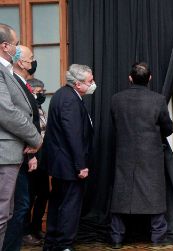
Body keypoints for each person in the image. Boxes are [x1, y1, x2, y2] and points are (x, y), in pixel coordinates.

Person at [110, 63, 173, 248]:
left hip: (124, 154)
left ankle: (116, 238)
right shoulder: (158, 100)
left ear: (130, 78)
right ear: (150, 78)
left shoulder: (116, 99)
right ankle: (157, 238)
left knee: (121, 195)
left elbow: (115, 125)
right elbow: (168, 129)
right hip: (151, 156)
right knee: (153, 195)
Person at [42, 64, 94, 251]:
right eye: (89, 81)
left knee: (58, 203)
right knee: (69, 206)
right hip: (69, 165)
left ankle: (52, 243)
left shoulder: (63, 94)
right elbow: (73, 135)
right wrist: (81, 165)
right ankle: (64, 245)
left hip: (60, 164)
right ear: (78, 84)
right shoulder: (70, 100)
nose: (93, 84)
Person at [0, 24, 42, 249]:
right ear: (5, 46)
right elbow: (7, 112)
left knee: (9, 212)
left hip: (14, 152)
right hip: (5, 152)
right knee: (4, 214)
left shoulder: (7, 72)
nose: (17, 49)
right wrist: (36, 138)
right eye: (15, 44)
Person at [23, 78, 49, 244]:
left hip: (43, 156)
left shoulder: (40, 108)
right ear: (30, 91)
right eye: (39, 92)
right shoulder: (27, 109)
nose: (42, 94)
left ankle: (36, 227)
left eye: (43, 91)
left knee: (44, 194)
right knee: (29, 197)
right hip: (31, 156)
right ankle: (25, 232)